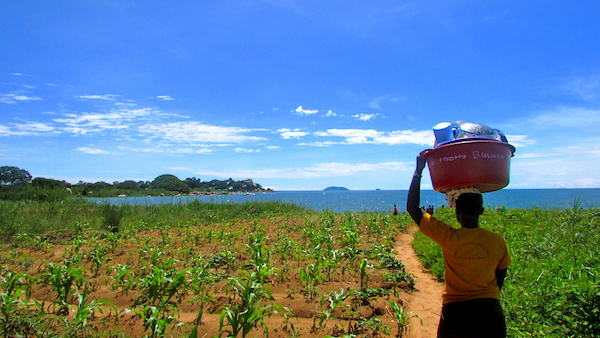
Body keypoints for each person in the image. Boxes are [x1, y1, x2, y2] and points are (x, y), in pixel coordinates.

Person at [407, 155, 511, 338]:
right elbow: (501, 273)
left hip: (456, 311)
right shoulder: (497, 240)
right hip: (490, 311)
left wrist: (418, 171)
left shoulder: (448, 236)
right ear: (482, 211)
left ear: (456, 211)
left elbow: (413, 209)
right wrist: (489, 295)